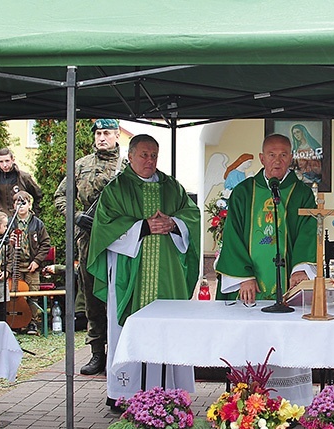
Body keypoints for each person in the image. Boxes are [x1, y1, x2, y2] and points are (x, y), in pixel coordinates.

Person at [86, 133, 200, 408]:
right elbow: (104, 227)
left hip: (167, 274)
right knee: (128, 327)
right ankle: (125, 393)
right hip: (130, 273)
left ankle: (171, 392)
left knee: (169, 328)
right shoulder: (117, 188)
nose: (150, 161)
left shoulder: (172, 187)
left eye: (154, 155)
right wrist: (143, 227)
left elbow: (192, 215)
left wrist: (175, 224)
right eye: (144, 155)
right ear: (131, 156)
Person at [216, 133, 317, 405]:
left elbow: (308, 232)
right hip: (252, 287)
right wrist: (244, 276)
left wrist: (300, 268)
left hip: (288, 286)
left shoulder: (302, 193)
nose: (278, 160)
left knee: (287, 343)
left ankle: (290, 405)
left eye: (284, 155)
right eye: (271, 155)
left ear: (291, 159)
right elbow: (233, 235)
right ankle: (247, 404)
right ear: (261, 158)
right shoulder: (244, 192)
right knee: (250, 344)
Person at [54, 118, 126, 375]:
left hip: (119, 238)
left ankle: (120, 351)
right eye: (98, 133)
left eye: (107, 133)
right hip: (88, 238)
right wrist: (75, 217)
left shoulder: (126, 166)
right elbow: (60, 196)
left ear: (117, 135)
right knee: (93, 295)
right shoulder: (81, 165)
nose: (101, 138)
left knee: (118, 294)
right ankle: (97, 353)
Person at [8, 191, 51, 335]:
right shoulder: (10, 223)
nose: (20, 206)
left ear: (29, 204)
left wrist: (37, 261)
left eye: (23, 203)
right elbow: (2, 244)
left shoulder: (37, 223)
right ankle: (16, 321)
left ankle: (32, 322)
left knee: (33, 292)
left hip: (31, 264)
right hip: (15, 265)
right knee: (15, 292)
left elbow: (45, 243)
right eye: (17, 203)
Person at [0, 147, 42, 216]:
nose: (5, 165)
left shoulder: (23, 177)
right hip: (0, 220)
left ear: (13, 160)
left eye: (7, 161)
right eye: (1, 162)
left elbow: (38, 195)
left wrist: (33, 215)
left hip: (19, 218)